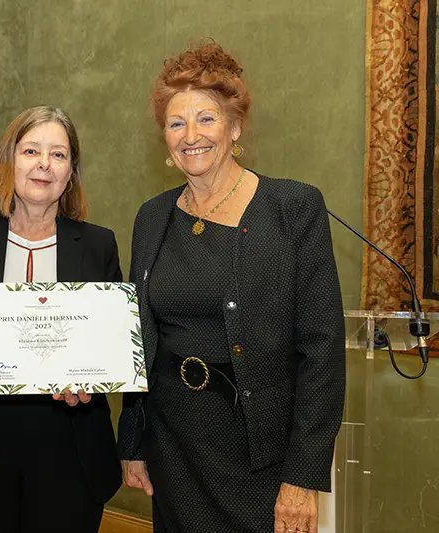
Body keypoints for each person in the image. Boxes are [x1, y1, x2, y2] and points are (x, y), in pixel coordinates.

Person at [117, 42, 346, 533]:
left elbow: (322, 351)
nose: (190, 135)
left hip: (261, 457)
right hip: (173, 446)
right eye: (176, 123)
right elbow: (140, 340)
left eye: (206, 119)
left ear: (235, 127)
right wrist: (133, 442)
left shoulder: (293, 208)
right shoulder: (151, 217)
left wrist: (303, 477)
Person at [0, 105, 122, 533]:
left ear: (72, 172)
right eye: (31, 151)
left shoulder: (99, 245)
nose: (44, 164)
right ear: (10, 161)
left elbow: (111, 344)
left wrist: (94, 380)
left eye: (59, 154)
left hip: (71, 448)